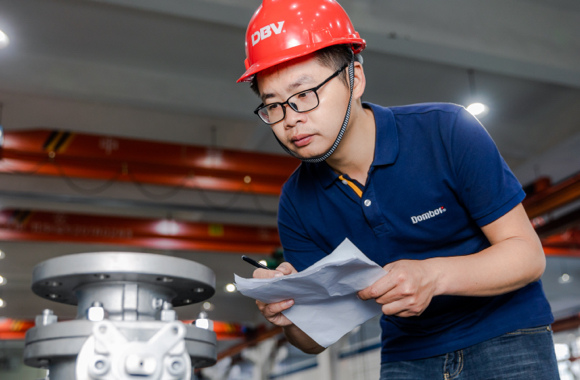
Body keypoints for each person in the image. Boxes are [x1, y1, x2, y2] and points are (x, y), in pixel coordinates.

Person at [236, 1, 559, 378]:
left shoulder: (446, 131)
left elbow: (527, 256)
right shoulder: (297, 201)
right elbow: (314, 338)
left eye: (304, 94)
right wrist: (286, 312)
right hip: (408, 354)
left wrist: (433, 276)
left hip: (508, 335)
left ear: (355, 77)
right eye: (273, 106)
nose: (291, 119)